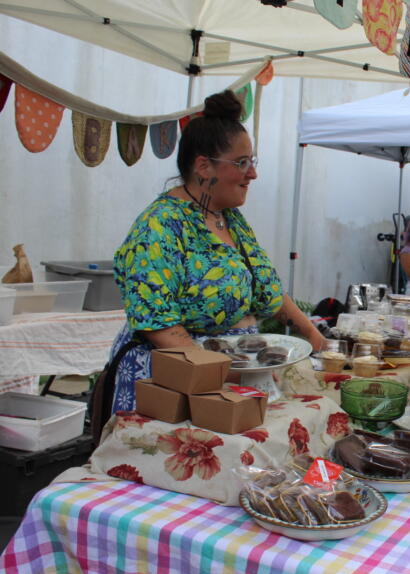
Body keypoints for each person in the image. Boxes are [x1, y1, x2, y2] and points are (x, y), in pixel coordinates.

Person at [106, 90, 324, 412]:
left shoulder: (229, 219)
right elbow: (159, 325)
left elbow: (268, 290)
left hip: (230, 377)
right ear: (204, 166)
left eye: (252, 162)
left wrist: (312, 334)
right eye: (242, 163)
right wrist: (222, 374)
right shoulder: (160, 226)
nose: (253, 174)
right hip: (175, 385)